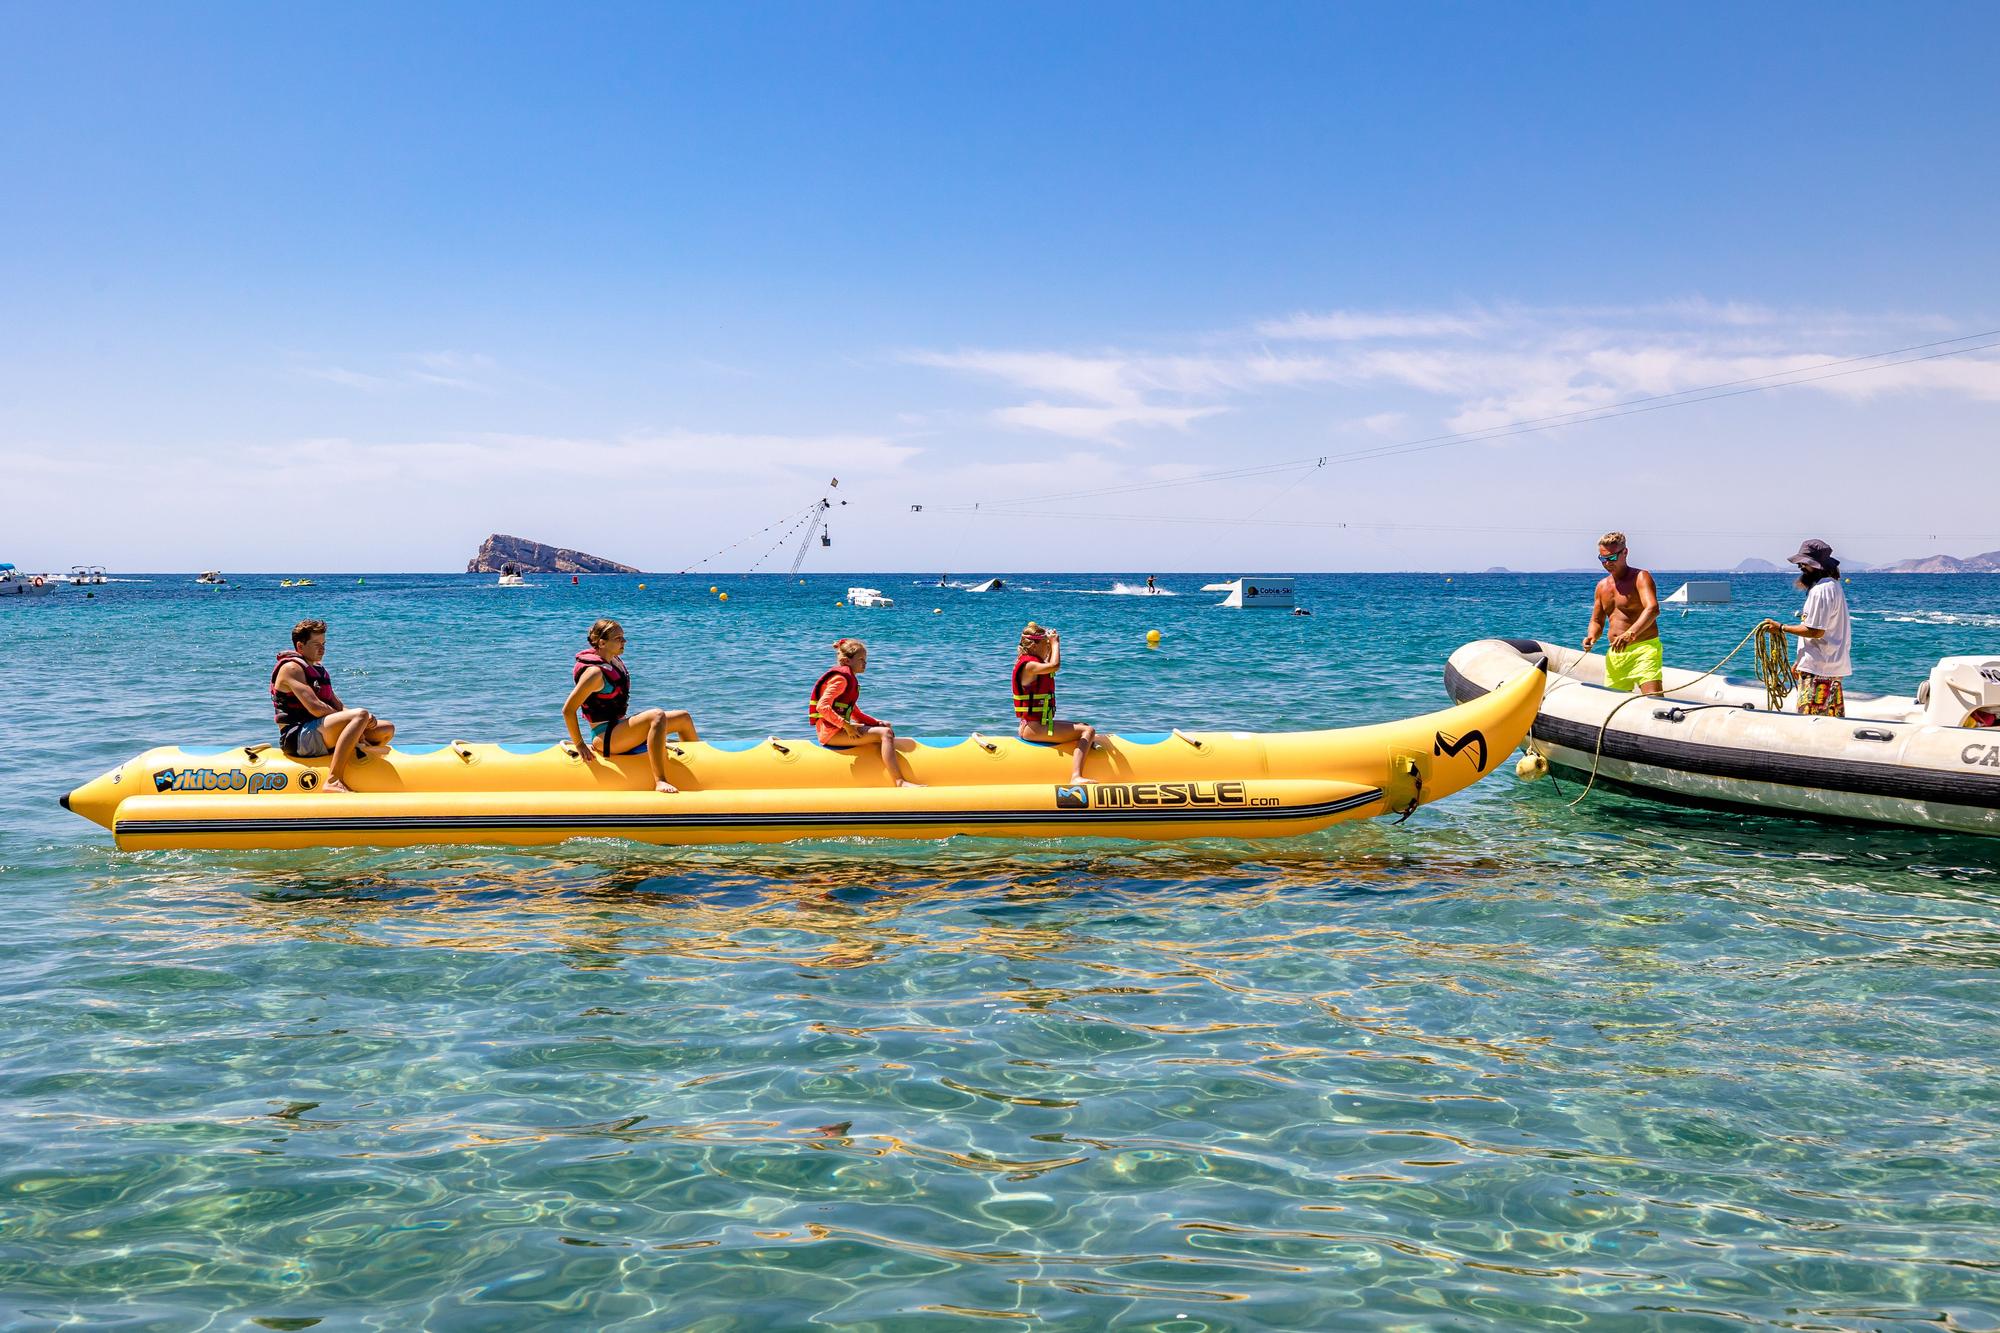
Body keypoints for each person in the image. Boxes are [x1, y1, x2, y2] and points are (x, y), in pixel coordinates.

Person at [565, 618, 699, 793]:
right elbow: (568, 710)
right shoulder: (594, 673)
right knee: (656, 715)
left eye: (623, 637)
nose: (624, 641)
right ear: (602, 643)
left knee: (683, 718)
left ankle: (699, 765)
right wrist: (580, 744)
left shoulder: (614, 661)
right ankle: (660, 780)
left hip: (619, 727)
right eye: (618, 638)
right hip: (606, 737)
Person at [271, 618, 395, 793]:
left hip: (320, 730)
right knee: (360, 714)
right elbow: (316, 708)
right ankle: (333, 780)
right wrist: (358, 719)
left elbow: (338, 706)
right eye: (316, 644)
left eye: (324, 643)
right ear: (300, 647)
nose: (322, 649)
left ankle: (355, 758)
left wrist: (363, 723)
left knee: (385, 728)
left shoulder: (318, 669)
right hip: (298, 737)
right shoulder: (291, 668)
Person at [810, 638, 919, 786]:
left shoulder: (849, 680)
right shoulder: (841, 679)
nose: (865, 663)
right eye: (861, 659)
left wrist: (877, 722)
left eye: (865, 659)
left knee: (884, 727)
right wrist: (847, 726)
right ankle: (899, 781)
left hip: (838, 729)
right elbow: (822, 707)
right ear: (847, 661)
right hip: (831, 733)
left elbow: (855, 712)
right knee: (885, 734)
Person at [1762, 539, 1851, 718]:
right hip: (1831, 669)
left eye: (1804, 564)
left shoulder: (1821, 590)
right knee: (1830, 723)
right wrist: (1800, 661)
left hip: (1818, 671)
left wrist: (1781, 628)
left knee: (1810, 723)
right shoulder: (1834, 586)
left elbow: (1816, 631)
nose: (1800, 567)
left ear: (1816, 566)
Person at [1012, 622, 1100, 783]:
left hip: (1035, 725)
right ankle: (1076, 776)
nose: (1047, 648)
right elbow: (1054, 665)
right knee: (1087, 731)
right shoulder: (1029, 666)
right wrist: (1055, 643)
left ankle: (1087, 752)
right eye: (1045, 645)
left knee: (1083, 725)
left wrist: (1051, 645)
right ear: (1034, 645)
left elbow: (1049, 663)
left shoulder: (1032, 663)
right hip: (1034, 728)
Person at [1582, 531, 1663, 695]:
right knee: (1614, 705)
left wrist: (1630, 633)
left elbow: (1652, 609)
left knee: (1654, 701)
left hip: (1644, 650)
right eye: (1602, 558)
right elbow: (1597, 620)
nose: (1607, 563)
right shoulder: (1602, 586)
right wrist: (1591, 636)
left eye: (1611, 558)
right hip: (1615, 655)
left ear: (1625, 552)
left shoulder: (1641, 577)